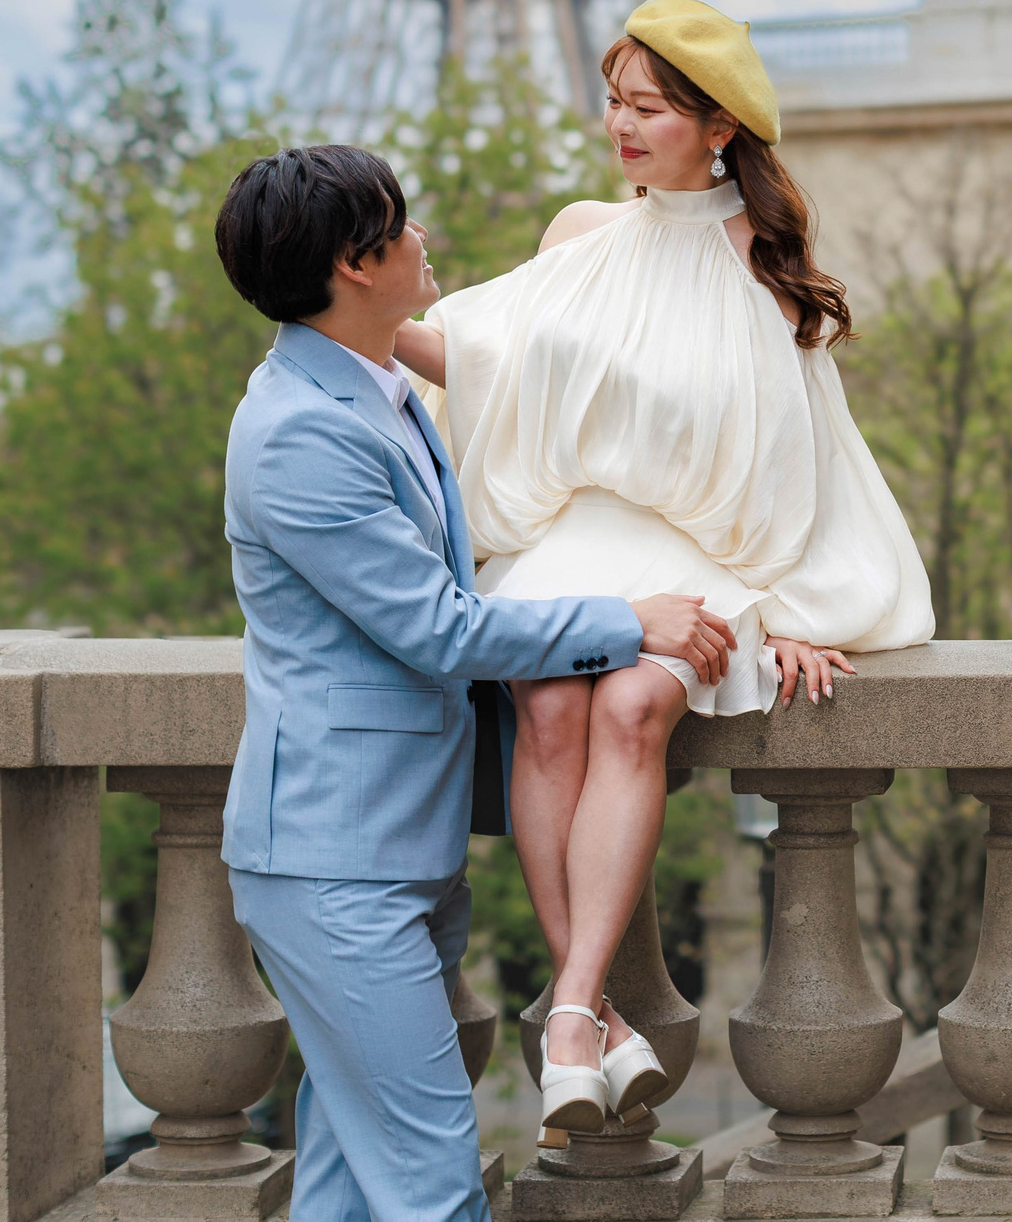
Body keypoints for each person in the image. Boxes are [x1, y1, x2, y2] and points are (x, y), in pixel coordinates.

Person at [392, 0, 931, 1134]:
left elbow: (811, 456)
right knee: (546, 705)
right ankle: (586, 1015)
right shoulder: (580, 233)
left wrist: (790, 606)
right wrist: (350, 309)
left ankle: (574, 1009)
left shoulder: (765, 265)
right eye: (614, 100)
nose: (619, 125)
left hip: (696, 552)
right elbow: (489, 369)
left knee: (636, 704)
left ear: (717, 125)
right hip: (573, 537)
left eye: (647, 107)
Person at [212, 144, 736, 1222]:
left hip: (388, 848)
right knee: (434, 1184)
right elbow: (438, 631)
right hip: (333, 864)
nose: (422, 238)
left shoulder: (374, 385)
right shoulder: (300, 432)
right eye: (401, 226)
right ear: (356, 264)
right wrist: (630, 619)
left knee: (350, 1179)